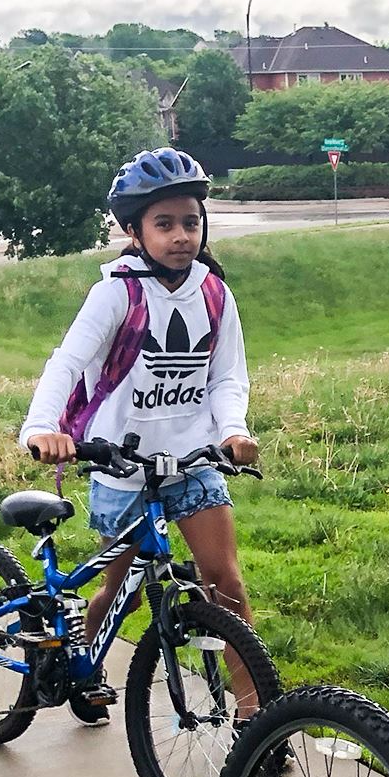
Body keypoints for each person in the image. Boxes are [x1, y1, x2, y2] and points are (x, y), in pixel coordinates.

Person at [19, 147, 260, 727]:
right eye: (164, 224)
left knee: (225, 582)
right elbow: (68, 362)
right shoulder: (115, 293)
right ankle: (83, 661)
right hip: (120, 464)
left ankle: (258, 715)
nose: (182, 236)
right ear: (134, 231)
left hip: (190, 462)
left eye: (191, 222)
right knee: (117, 586)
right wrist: (41, 427)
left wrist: (233, 429)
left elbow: (227, 376)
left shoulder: (214, 294)